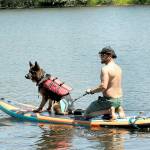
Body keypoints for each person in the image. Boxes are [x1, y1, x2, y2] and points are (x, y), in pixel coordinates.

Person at [85, 46, 125, 120]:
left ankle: (109, 111)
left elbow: (103, 87)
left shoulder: (105, 69)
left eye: (103, 55)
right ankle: (118, 109)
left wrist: (91, 91)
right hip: (119, 100)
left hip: (109, 101)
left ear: (109, 55)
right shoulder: (119, 68)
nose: (101, 57)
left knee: (87, 114)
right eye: (100, 55)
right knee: (117, 109)